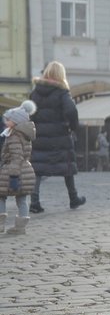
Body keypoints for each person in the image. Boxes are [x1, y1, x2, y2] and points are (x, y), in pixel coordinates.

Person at [29, 61, 86, 212]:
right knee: (67, 167)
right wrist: (72, 127)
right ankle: (73, 199)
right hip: (59, 136)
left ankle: (34, 202)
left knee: (38, 168)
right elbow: (72, 111)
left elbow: (29, 113)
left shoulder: (35, 92)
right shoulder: (62, 92)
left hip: (39, 136)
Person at [1, 100, 38, 234]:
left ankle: (0, 224)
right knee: (22, 198)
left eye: (8, 119)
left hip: (14, 170)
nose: (5, 121)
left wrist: (14, 176)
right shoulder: (24, 134)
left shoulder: (14, 136)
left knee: (1, 196)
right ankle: (20, 227)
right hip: (25, 169)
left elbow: (16, 156)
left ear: (15, 121)